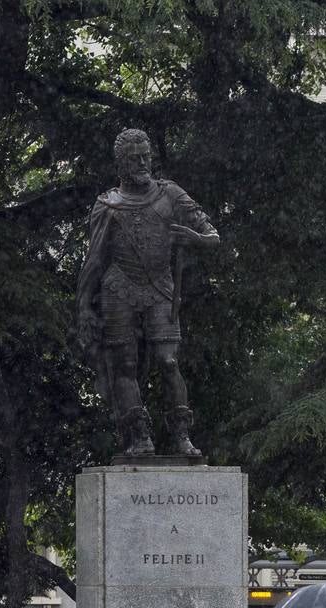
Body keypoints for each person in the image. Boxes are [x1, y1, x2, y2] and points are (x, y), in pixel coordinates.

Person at [76, 128, 220, 457]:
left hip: (160, 286)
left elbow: (212, 235)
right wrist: (84, 305)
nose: (142, 163)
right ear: (120, 164)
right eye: (134, 159)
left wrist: (193, 238)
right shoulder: (108, 206)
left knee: (168, 360)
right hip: (118, 287)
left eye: (146, 157)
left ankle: (182, 434)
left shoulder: (169, 194)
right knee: (123, 364)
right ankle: (139, 435)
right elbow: (95, 259)